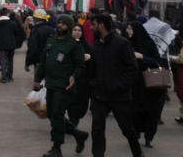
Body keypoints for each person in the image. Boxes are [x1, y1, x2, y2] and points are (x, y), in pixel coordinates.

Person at [88, 14, 142, 157]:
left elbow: (133, 69)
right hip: (100, 96)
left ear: (101, 25)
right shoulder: (96, 45)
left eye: (94, 24)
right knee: (97, 129)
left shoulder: (122, 44)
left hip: (119, 97)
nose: (91, 27)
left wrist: (118, 85)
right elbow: (92, 69)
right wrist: (93, 83)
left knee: (127, 129)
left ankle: (138, 154)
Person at [34, 14, 88, 157]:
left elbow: (80, 66)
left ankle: (56, 148)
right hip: (50, 84)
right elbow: (44, 62)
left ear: (69, 27)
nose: (60, 26)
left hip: (64, 86)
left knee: (57, 114)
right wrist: (37, 79)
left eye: (63, 24)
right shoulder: (51, 41)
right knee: (52, 114)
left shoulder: (75, 45)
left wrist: (74, 76)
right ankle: (78, 134)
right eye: (59, 23)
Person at [124, 20, 163, 147]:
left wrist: (142, 57)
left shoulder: (148, 44)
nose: (128, 31)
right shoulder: (127, 44)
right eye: (128, 29)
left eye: (130, 29)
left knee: (150, 111)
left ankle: (149, 137)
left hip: (150, 85)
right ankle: (135, 134)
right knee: (134, 110)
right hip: (134, 84)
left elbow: (157, 62)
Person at [67, 23, 93, 130]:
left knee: (80, 101)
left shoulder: (85, 44)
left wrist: (89, 57)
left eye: (79, 30)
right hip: (69, 77)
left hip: (83, 79)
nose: (77, 32)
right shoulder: (67, 43)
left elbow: (93, 58)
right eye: (75, 30)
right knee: (70, 101)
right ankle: (72, 120)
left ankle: (75, 120)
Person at [0, 8, 24, 82]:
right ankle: (10, 76)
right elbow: (17, 33)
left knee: (3, 60)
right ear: (7, 14)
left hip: (1, 44)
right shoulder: (12, 23)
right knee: (10, 60)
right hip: (11, 44)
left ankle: (4, 77)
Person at [26, 9, 55, 74]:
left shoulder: (35, 30)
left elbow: (32, 47)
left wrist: (28, 62)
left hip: (39, 60)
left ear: (36, 19)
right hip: (50, 60)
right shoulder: (52, 29)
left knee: (38, 80)